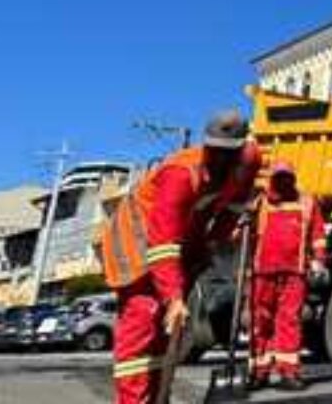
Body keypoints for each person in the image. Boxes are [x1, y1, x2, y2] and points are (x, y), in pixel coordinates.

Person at [99, 110, 263, 404]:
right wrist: (173, 298)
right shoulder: (181, 172)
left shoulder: (248, 162)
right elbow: (163, 243)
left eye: (228, 152)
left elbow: (229, 211)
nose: (219, 158)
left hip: (184, 239)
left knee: (166, 334)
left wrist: (212, 245)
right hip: (135, 241)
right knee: (144, 320)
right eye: (214, 150)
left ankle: (158, 397)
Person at [247, 161, 327, 392]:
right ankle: (259, 371)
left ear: (293, 178)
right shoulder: (259, 202)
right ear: (272, 178)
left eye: (287, 177)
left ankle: (288, 372)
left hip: (295, 272)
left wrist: (319, 261)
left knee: (289, 320)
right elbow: (243, 233)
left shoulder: (307, 202)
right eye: (279, 177)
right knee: (260, 321)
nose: (283, 182)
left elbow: (318, 234)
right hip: (263, 271)